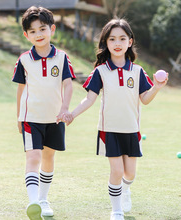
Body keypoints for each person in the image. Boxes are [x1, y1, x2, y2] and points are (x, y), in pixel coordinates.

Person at [58, 18, 168, 220]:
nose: (117, 43)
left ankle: (126, 190)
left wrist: (156, 88)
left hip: (132, 130)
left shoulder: (138, 71)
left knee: (130, 174)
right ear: (105, 43)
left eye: (122, 38)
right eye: (112, 39)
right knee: (116, 171)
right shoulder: (100, 71)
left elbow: (145, 99)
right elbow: (89, 99)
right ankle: (116, 210)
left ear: (130, 41)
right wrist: (72, 114)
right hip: (109, 130)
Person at [12, 6, 75, 220]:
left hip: (55, 118)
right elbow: (21, 89)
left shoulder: (63, 57)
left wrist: (65, 108)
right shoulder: (23, 60)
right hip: (31, 118)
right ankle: (33, 202)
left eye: (42, 29)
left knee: (48, 157)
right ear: (26, 35)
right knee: (34, 157)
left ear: (52, 29)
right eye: (32, 31)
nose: (38, 34)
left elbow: (68, 84)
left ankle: (43, 198)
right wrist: (19, 116)